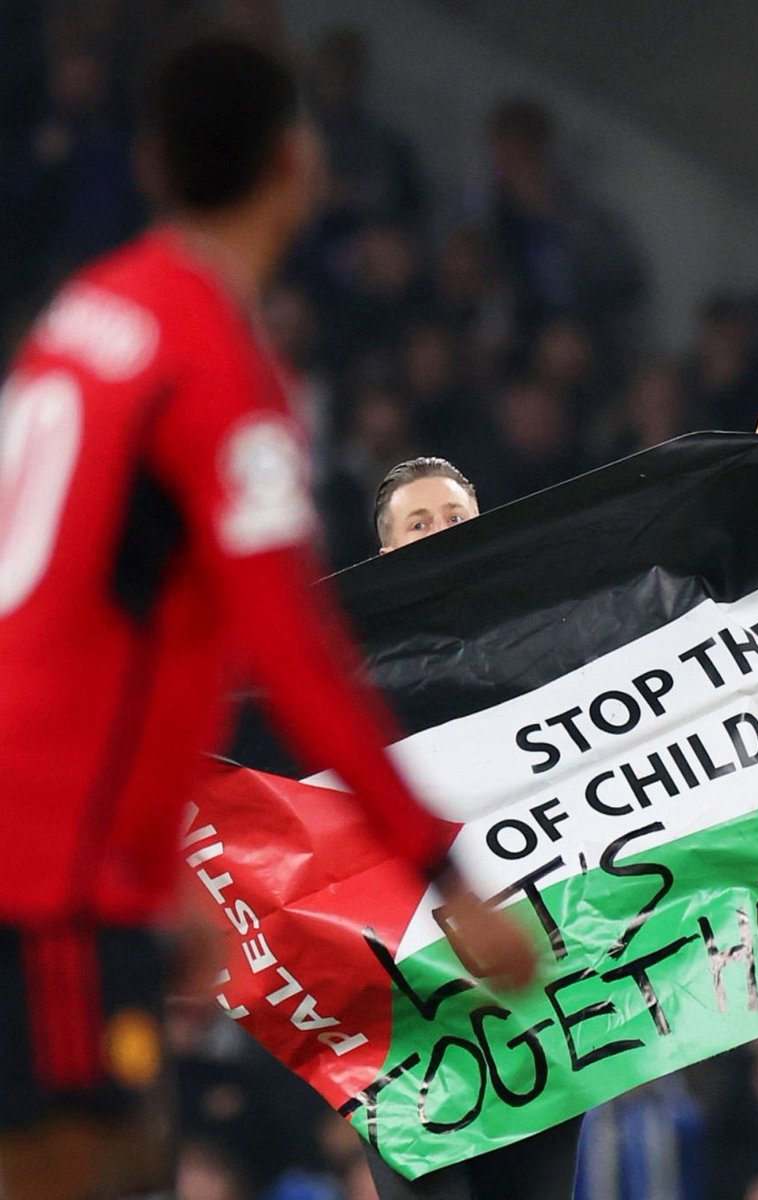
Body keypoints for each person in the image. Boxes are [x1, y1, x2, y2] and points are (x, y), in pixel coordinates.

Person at [0, 35, 533, 1200]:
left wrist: (167, 872)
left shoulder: (78, 321)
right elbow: (297, 661)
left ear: (149, 165)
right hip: (47, 876)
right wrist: (450, 879)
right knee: (76, 1170)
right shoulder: (223, 376)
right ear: (297, 169)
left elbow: (104, 621)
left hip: (65, 848)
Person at [363, 400, 758, 1199]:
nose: (441, 532)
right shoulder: (340, 665)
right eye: (419, 523)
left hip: (542, 991)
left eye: (456, 516)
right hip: (413, 1008)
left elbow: (690, 593)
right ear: (384, 550)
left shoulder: (555, 629)